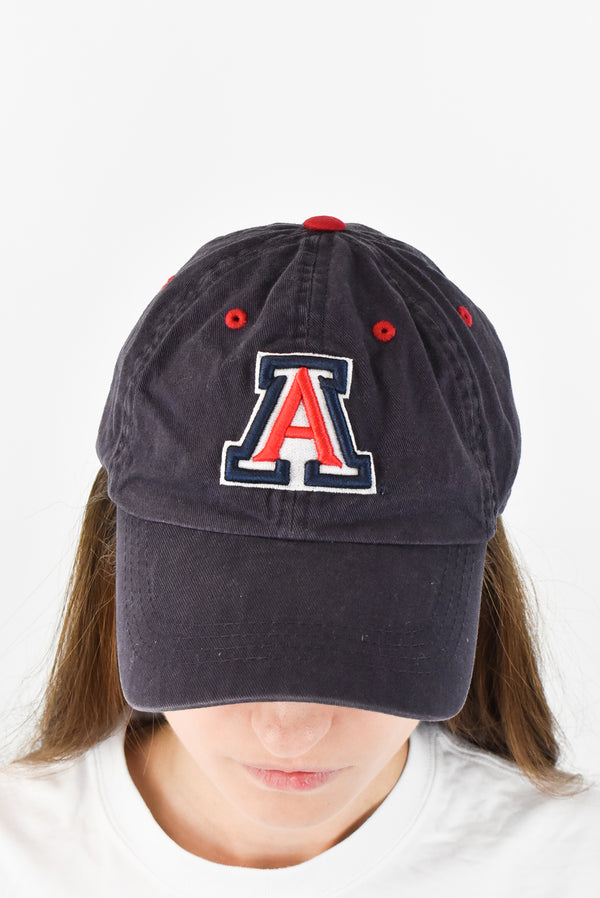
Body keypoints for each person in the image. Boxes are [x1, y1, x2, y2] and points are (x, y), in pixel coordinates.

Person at [1, 215, 598, 896]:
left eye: (362, 643)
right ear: (113, 564)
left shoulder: (572, 866)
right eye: (225, 637)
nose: (290, 733)